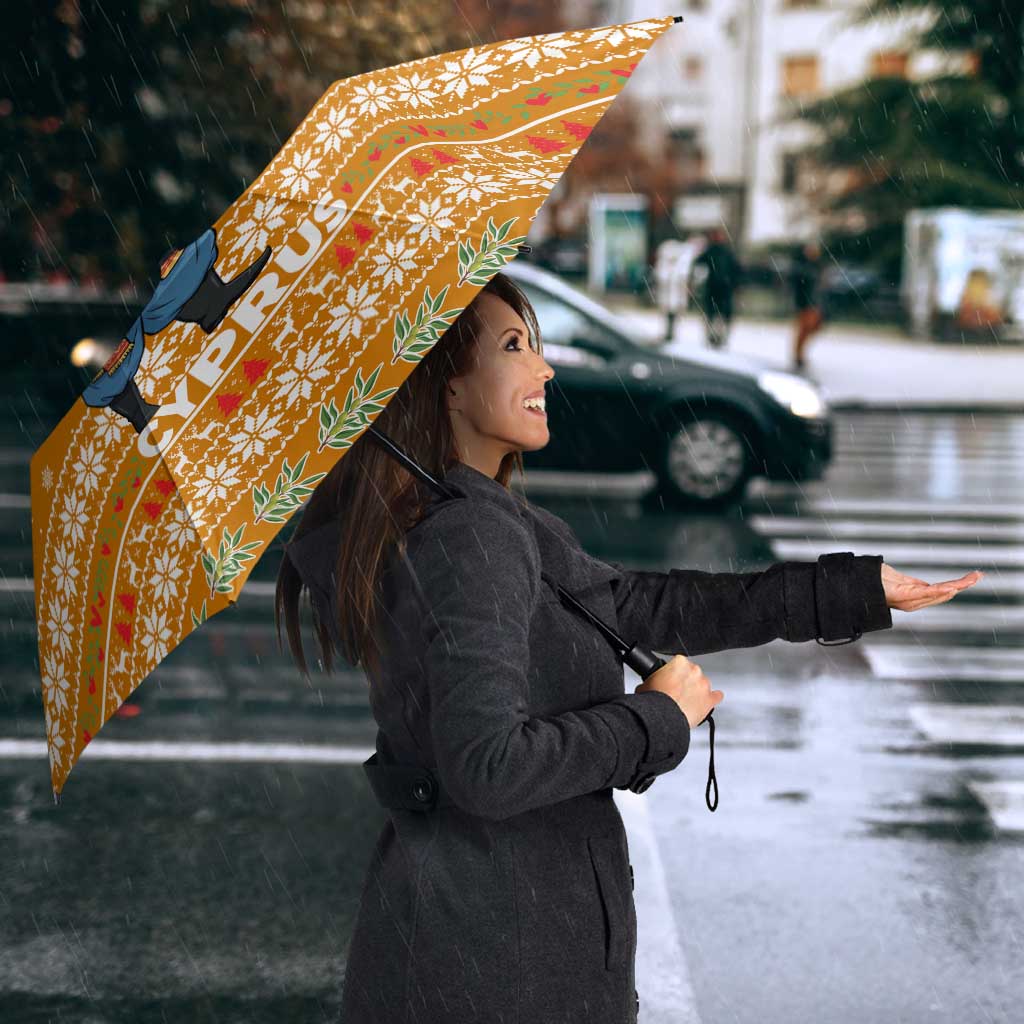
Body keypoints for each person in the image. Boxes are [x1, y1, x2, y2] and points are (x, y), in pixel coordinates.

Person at [276, 272, 911, 1024]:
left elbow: (639, 605)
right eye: (514, 346)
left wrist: (848, 592)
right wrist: (655, 719)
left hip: (478, 942)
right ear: (446, 384)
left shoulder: (474, 517)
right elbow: (488, 768)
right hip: (499, 963)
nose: (544, 368)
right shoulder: (469, 537)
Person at [692, 226, 742, 349]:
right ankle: (713, 337)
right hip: (715, 288)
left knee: (720, 315)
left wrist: (735, 284)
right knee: (713, 314)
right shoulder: (712, 251)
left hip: (723, 288)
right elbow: (698, 264)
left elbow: (736, 270)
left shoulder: (725, 252)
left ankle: (719, 337)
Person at [790, 239, 826, 371]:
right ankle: (798, 355)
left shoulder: (817, 266)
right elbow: (799, 286)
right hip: (805, 303)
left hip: (814, 303)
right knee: (804, 329)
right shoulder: (802, 267)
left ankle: (800, 354)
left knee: (812, 328)